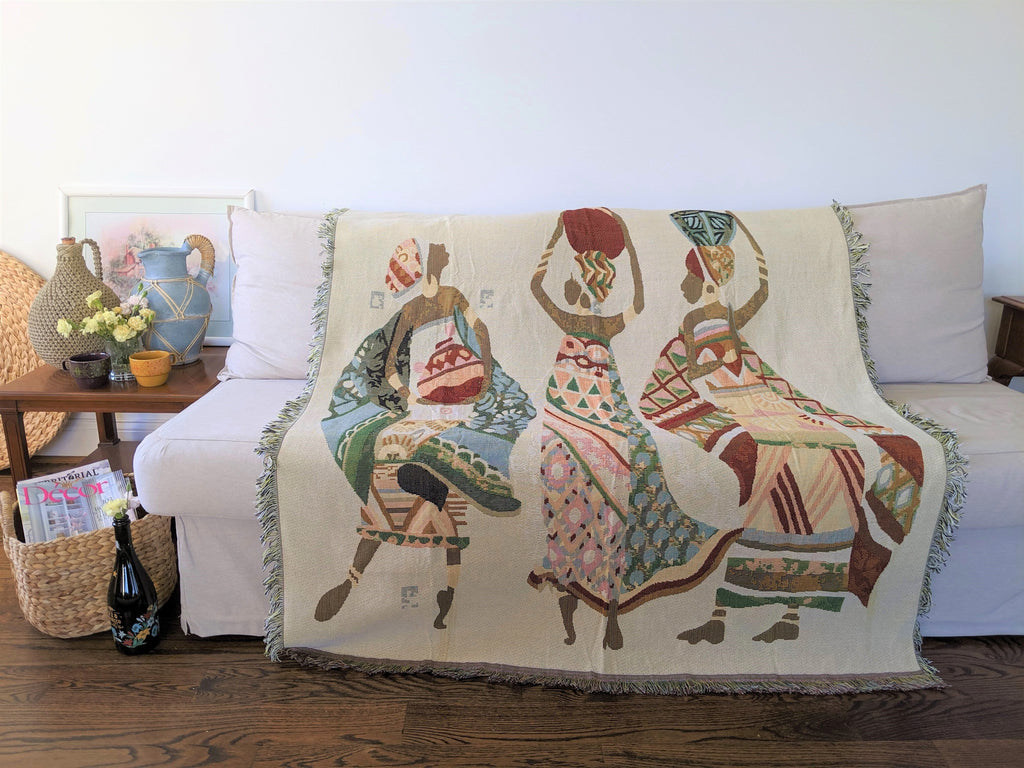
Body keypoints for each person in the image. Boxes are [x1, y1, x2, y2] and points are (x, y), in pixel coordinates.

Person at [638, 210, 925, 643]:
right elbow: (700, 361)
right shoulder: (703, 320)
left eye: (688, 277)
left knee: (836, 453)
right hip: (734, 396)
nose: (683, 286)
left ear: (703, 279)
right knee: (790, 459)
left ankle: (767, 615)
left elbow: (756, 297)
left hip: (753, 396)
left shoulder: (712, 319)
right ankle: (766, 615)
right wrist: (716, 363)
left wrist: (748, 241)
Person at [527, 207, 738, 650]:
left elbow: (546, 287)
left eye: (581, 282)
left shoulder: (592, 323)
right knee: (600, 462)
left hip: (599, 407)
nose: (580, 289)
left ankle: (604, 598)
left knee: (636, 450)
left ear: (585, 285)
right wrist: (568, 238)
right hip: (569, 411)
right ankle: (587, 593)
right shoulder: (584, 322)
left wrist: (614, 241)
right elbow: (540, 288)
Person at [317, 238, 535, 630]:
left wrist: (483, 374)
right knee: (415, 471)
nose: (446, 254)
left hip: (450, 400)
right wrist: (410, 394)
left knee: (418, 477)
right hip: (425, 405)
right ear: (428, 263)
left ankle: (392, 577)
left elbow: (479, 329)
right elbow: (388, 366)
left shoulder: (451, 297)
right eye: (439, 252)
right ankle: (438, 581)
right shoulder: (412, 310)